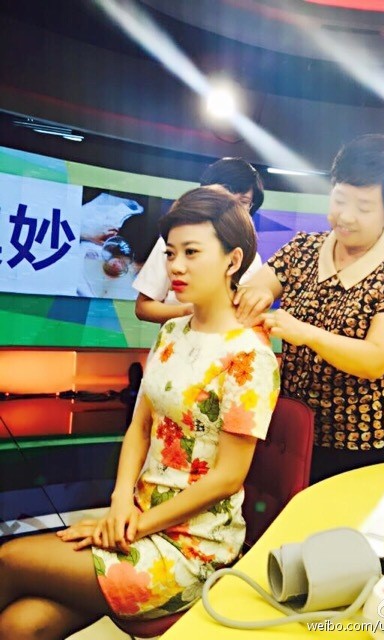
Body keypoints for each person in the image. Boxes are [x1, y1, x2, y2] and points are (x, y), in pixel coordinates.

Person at [0, 186, 280, 637]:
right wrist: (118, 504)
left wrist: (132, 527)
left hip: (194, 548)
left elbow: (228, 477)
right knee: (18, 626)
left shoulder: (251, 355)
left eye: (191, 252)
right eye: (171, 253)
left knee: (8, 559)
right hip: (137, 516)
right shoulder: (172, 331)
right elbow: (140, 427)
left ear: (233, 261)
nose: (175, 266)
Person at [234, 134, 384, 484]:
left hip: (361, 441)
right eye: (339, 200)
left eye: (364, 208)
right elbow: (256, 289)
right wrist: (255, 296)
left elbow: (375, 359)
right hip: (290, 426)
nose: (346, 216)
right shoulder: (303, 248)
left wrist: (306, 333)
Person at [133, 157, 264, 323]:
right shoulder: (173, 243)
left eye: (243, 202)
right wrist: (189, 312)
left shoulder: (253, 259)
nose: (232, 206)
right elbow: (143, 307)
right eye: (225, 195)